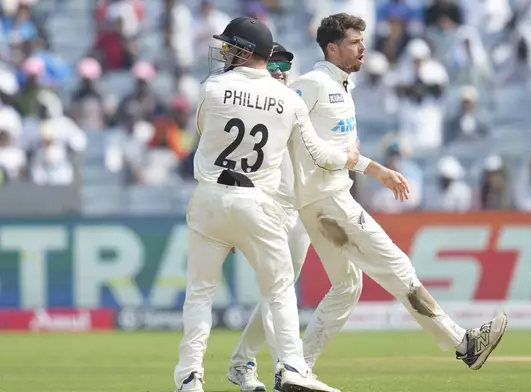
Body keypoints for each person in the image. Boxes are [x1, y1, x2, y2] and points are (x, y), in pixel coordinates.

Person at [286, 12, 506, 389]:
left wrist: (378, 171)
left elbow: (342, 150)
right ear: (332, 47)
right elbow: (285, 130)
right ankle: (464, 344)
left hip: (324, 199)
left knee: (347, 286)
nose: (362, 48)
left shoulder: (340, 85)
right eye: (354, 42)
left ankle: (296, 369)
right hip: (328, 199)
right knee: (398, 267)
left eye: (362, 40)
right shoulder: (312, 83)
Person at [173, 17, 360, 392]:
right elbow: (320, 155)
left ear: (246, 50)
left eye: (230, 46)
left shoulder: (212, 86)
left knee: (200, 293)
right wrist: (349, 159)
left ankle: (189, 377)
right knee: (278, 291)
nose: (224, 51)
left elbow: (204, 128)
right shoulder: (289, 99)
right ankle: (291, 367)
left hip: (209, 198)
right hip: (259, 203)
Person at [226, 42, 312, 392]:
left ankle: (241, 362)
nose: (279, 69)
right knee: (280, 292)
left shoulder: (296, 102)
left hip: (299, 210)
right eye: (272, 62)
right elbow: (228, 163)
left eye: (283, 64)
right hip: (263, 210)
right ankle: (287, 372)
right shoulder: (244, 106)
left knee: (280, 293)